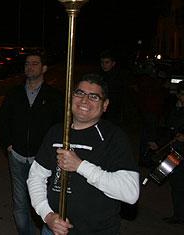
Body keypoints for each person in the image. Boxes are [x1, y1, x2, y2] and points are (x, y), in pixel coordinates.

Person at [27, 73, 140, 235]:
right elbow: (36, 177)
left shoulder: (113, 138)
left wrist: (80, 166)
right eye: (80, 93)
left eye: (94, 97)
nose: (84, 100)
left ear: (105, 105)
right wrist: (47, 215)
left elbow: (130, 192)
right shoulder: (56, 132)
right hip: (53, 230)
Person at [0, 53, 63, 235]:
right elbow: (2, 121)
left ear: (44, 68)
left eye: (35, 64)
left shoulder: (54, 96)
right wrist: (8, 145)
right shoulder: (14, 94)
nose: (30, 67)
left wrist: (52, 152)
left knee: (45, 203)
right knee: (20, 205)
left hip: (43, 161)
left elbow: (60, 127)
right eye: (27, 64)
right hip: (17, 157)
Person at [150, 82, 184, 224]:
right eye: (182, 94)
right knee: (174, 184)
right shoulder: (175, 109)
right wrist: (158, 143)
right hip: (176, 153)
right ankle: (178, 215)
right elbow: (170, 130)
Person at [98, 49, 126, 125]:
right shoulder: (99, 76)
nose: (104, 65)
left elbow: (120, 96)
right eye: (102, 62)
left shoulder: (118, 77)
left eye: (107, 62)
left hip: (113, 111)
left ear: (113, 63)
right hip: (100, 111)